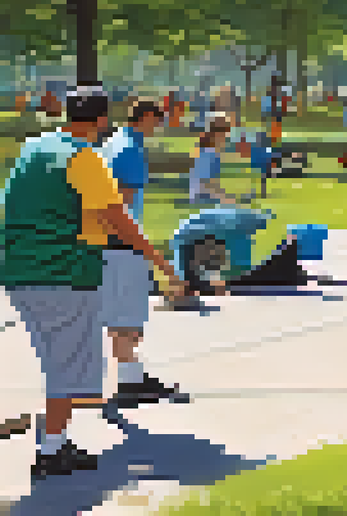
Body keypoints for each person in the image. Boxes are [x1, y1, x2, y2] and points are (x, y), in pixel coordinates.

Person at [2, 84, 188, 478]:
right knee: (68, 368)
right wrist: (164, 266)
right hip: (63, 273)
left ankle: (56, 438)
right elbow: (120, 222)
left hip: (19, 272)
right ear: (103, 120)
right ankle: (52, 452)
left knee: (59, 361)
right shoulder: (84, 159)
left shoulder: (34, 149)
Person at [98, 98, 187, 408]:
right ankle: (129, 383)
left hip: (107, 244)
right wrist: (143, 248)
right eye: (158, 118)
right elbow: (120, 204)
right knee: (129, 320)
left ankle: (131, 376)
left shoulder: (111, 143)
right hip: (122, 244)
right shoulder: (130, 150)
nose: (160, 125)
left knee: (122, 317)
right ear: (146, 117)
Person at [189, 116, 237, 206]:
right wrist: (224, 197)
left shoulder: (213, 153)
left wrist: (224, 195)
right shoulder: (207, 154)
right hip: (201, 198)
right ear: (217, 134)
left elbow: (212, 184)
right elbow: (204, 185)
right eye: (225, 134)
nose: (226, 138)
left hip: (207, 196)